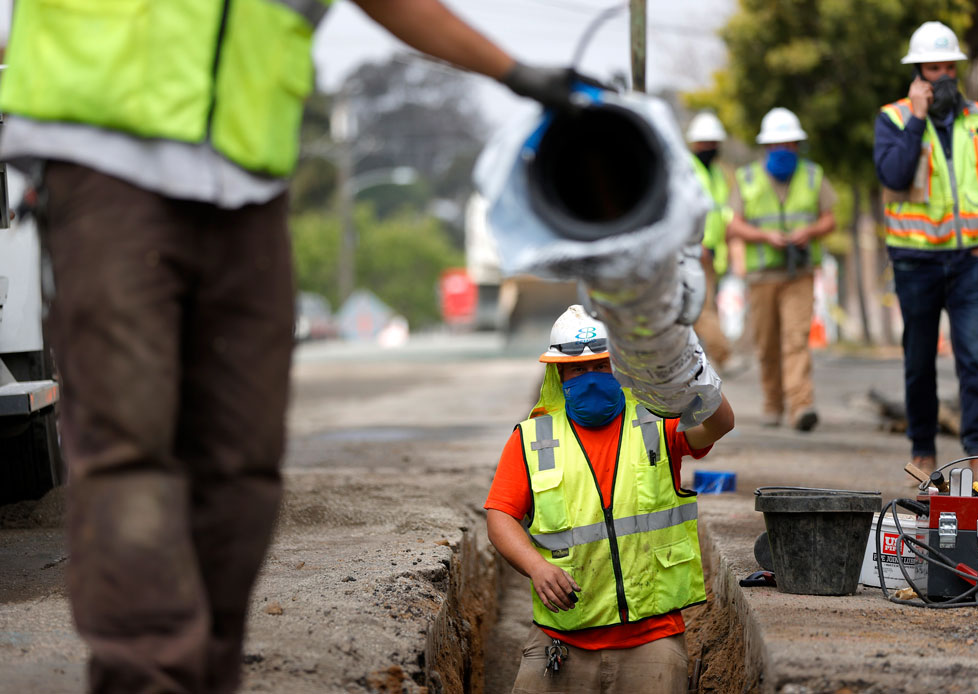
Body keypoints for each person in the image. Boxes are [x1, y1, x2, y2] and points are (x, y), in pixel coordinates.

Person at [0, 2, 597, 691]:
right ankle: (145, 676)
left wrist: (514, 71)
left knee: (241, 466)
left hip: (245, 170)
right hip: (103, 142)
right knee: (131, 447)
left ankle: (204, 673)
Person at [485, 305, 734, 693]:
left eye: (602, 366)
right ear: (559, 374)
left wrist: (694, 371)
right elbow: (500, 515)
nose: (591, 378)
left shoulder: (657, 422)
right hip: (562, 638)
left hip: (652, 638)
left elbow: (720, 424)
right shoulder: (533, 440)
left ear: (621, 366)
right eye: (578, 370)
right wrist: (536, 567)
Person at [873, 21, 978, 484]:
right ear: (918, 73)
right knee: (919, 361)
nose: (945, 76)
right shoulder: (893, 119)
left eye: (951, 67)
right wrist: (917, 118)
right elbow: (893, 176)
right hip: (915, 262)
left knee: (974, 358)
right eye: (935, 68)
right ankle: (923, 453)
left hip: (970, 260)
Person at [726, 108, 836, 432]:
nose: (784, 150)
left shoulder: (813, 176)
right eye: (778, 145)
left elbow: (830, 219)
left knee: (796, 339)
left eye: (790, 144)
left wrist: (811, 231)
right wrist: (764, 236)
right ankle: (773, 403)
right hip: (762, 276)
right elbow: (733, 227)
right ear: (766, 148)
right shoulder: (747, 178)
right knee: (767, 343)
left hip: (799, 273)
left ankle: (801, 406)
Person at [686, 111, 734, 371]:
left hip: (713, 253)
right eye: (705, 143)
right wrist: (696, 244)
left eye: (713, 143)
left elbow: (721, 212)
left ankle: (700, 361)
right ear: (694, 143)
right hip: (693, 252)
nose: (710, 148)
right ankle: (724, 355)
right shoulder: (685, 169)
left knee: (706, 308)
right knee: (701, 309)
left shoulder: (716, 174)